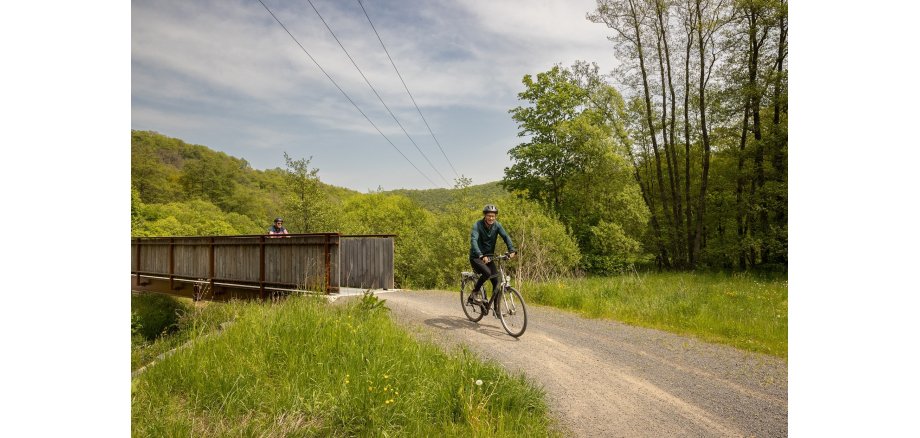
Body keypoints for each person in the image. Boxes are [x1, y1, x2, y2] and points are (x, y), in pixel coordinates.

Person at [469, 204, 516, 303]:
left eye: (493, 216)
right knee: (487, 273)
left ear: (495, 217)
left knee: (497, 282)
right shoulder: (477, 225)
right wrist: (480, 254)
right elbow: (473, 240)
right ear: (485, 216)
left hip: (489, 258)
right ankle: (474, 293)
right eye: (489, 216)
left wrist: (511, 250)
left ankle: (496, 309)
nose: (491, 218)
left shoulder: (497, 225)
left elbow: (506, 236)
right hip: (476, 257)